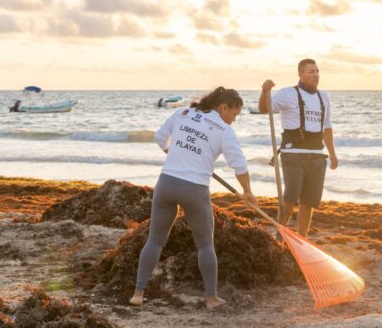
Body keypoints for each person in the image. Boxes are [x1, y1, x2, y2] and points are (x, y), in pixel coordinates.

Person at [130, 86, 257, 309]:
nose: (234, 120)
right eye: (234, 115)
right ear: (223, 107)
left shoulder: (183, 113)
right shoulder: (224, 131)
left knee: (155, 240)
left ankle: (138, 294)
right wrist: (247, 191)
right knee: (205, 244)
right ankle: (211, 298)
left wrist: (178, 154)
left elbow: (161, 138)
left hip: (166, 183)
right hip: (195, 190)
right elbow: (239, 164)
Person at [258, 58, 338, 237]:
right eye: (311, 71)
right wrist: (265, 92)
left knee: (308, 201)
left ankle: (302, 238)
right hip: (293, 154)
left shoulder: (324, 97)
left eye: (317, 71)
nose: (316, 75)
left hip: (317, 155)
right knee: (291, 195)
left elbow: (327, 127)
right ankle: (281, 233)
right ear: (301, 74)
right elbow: (264, 108)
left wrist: (332, 154)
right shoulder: (287, 93)